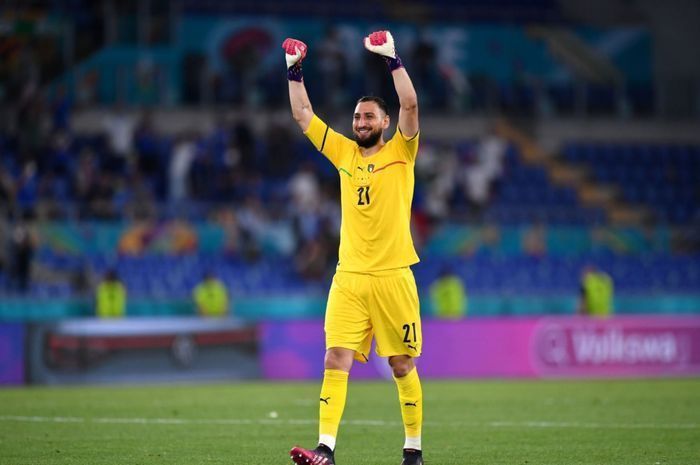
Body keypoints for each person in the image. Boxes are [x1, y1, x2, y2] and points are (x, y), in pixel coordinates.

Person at [283, 30, 424, 465]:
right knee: (334, 358)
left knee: (401, 365)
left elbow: (411, 105)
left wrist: (393, 59)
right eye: (357, 118)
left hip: (393, 275)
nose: (360, 123)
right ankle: (325, 448)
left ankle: (413, 451)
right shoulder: (345, 154)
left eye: (368, 117)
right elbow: (304, 115)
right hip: (349, 278)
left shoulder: (402, 150)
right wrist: (294, 69)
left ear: (384, 123)